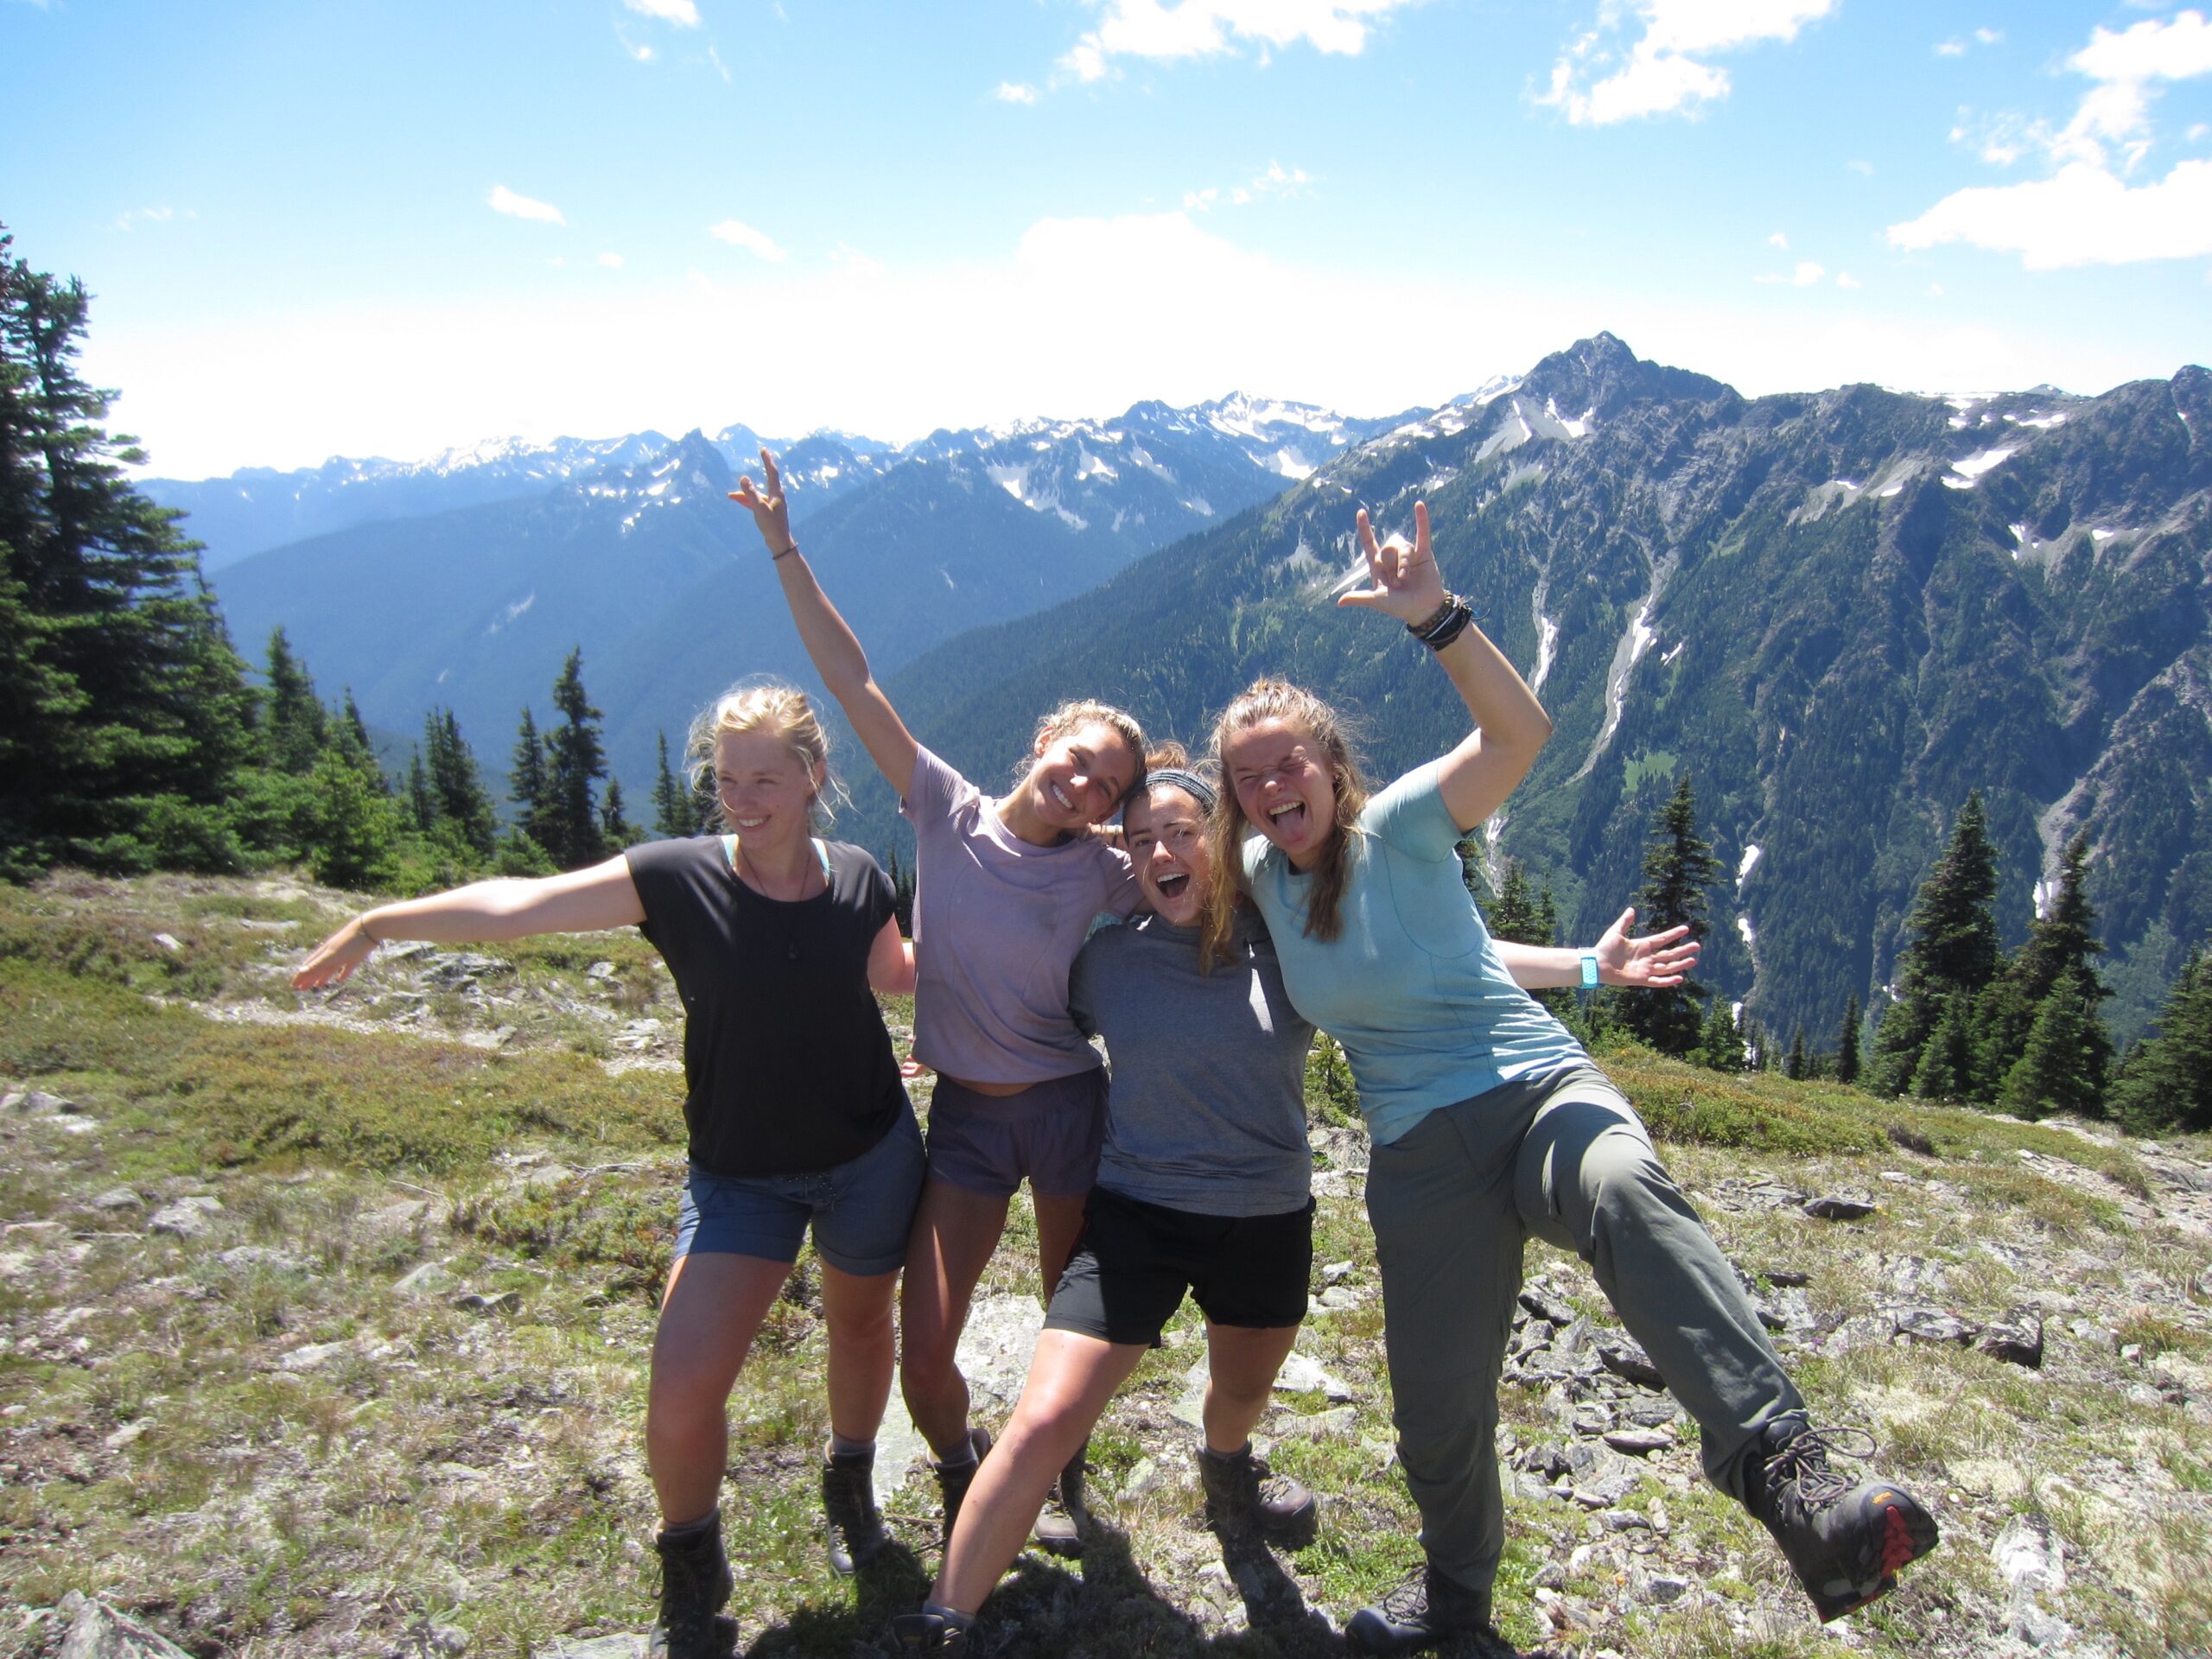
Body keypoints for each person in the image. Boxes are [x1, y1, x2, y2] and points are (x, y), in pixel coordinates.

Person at [1205, 502, 1941, 1652]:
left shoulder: (1397, 826)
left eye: (1287, 762)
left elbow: (1519, 737)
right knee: (1436, 1413)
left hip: (1539, 1089)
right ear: (1234, 797)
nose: (1269, 786)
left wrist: (1437, 620)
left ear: (1330, 767)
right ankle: (1457, 1599)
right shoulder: (1256, 873)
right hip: (1417, 1155)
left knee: (1622, 1192)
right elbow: (1447, 956)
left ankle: (1793, 1481)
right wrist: (1588, 961)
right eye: (1247, 777)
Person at [892, 753, 1702, 1655]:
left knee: (1238, 1396)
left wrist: (1592, 966)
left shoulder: (1283, 946)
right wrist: (953, 1042)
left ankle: (1226, 1465)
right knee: (1044, 1417)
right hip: (1136, 1216)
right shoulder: (1107, 959)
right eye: (1141, 839)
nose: (1162, 851)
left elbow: (1443, 957)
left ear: (1221, 845)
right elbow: (1017, 983)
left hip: (1263, 1218)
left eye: (1182, 832)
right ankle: (946, 1621)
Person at [292, 683, 925, 1659]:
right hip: (742, 1175)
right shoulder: (674, 877)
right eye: (726, 779)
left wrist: (1032, 936)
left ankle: (848, 1479)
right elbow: (523, 906)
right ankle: (692, 1565)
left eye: (766, 777)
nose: (743, 798)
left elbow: (893, 971)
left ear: (814, 777)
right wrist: (383, 922)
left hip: (872, 1151)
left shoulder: (855, 875)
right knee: (679, 1389)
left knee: (858, 1325)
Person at [731, 452, 1145, 1553]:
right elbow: (853, 681)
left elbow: (1205, 879)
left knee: (1076, 1329)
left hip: (1065, 1108)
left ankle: (1056, 1470)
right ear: (1043, 741)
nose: (1085, 786)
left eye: (1107, 783)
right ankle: (969, 1473)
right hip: (962, 1115)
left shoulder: (1102, 866)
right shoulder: (945, 809)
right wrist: (783, 545)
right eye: (1078, 760)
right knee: (925, 1349)